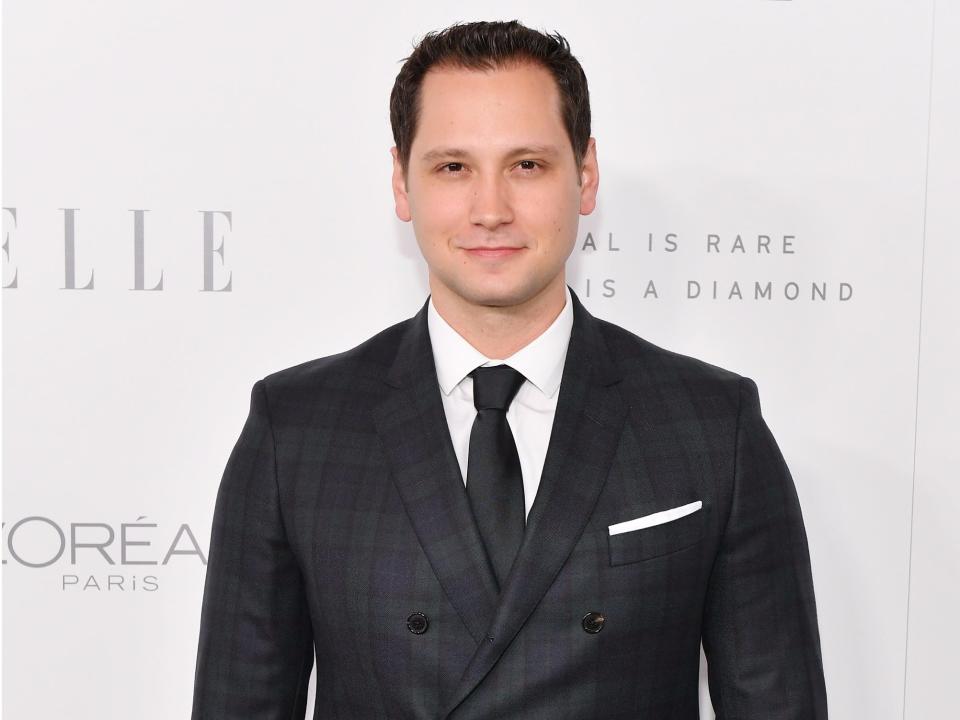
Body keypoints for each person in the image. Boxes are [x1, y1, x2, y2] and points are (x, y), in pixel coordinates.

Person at [191, 19, 828, 719]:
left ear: (585, 176)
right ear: (402, 185)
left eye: (527, 165)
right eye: (452, 167)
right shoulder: (298, 430)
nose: (490, 210)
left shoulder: (712, 426)